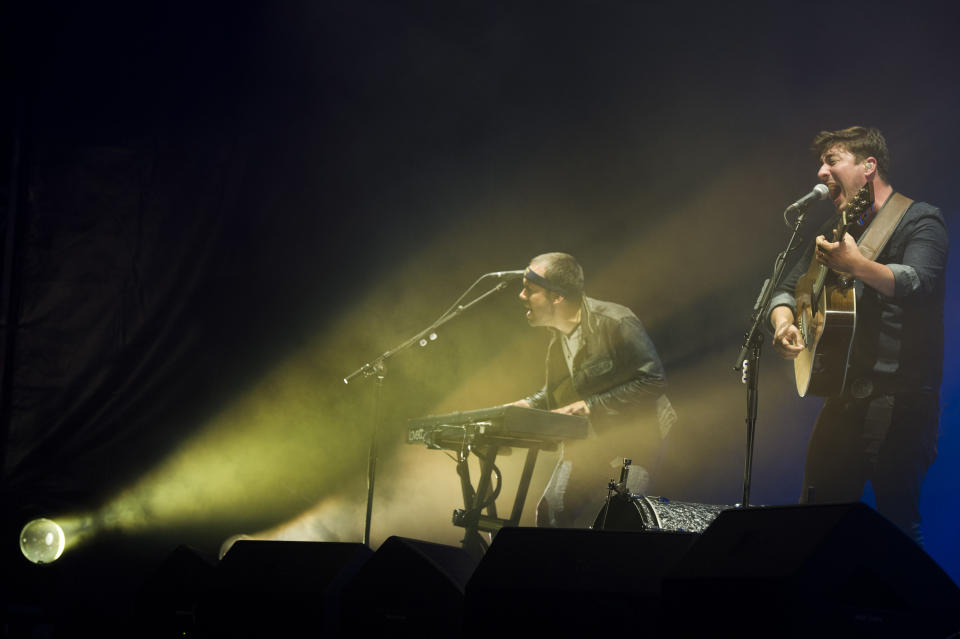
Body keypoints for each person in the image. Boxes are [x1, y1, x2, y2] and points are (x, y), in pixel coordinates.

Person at [768, 126, 948, 545]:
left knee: (898, 529)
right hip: (843, 400)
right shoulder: (835, 229)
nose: (821, 173)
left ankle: (914, 611)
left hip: (900, 405)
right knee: (814, 522)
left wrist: (856, 264)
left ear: (868, 167)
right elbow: (784, 287)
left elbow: (918, 283)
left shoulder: (920, 219)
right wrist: (783, 323)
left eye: (832, 161)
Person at [509, 252, 676, 528]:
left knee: (614, 522)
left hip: (636, 439)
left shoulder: (616, 321)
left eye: (530, 289)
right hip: (593, 437)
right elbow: (565, 386)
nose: (521, 296)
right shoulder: (559, 337)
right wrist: (530, 404)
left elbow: (653, 380)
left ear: (557, 297)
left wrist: (591, 406)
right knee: (550, 514)